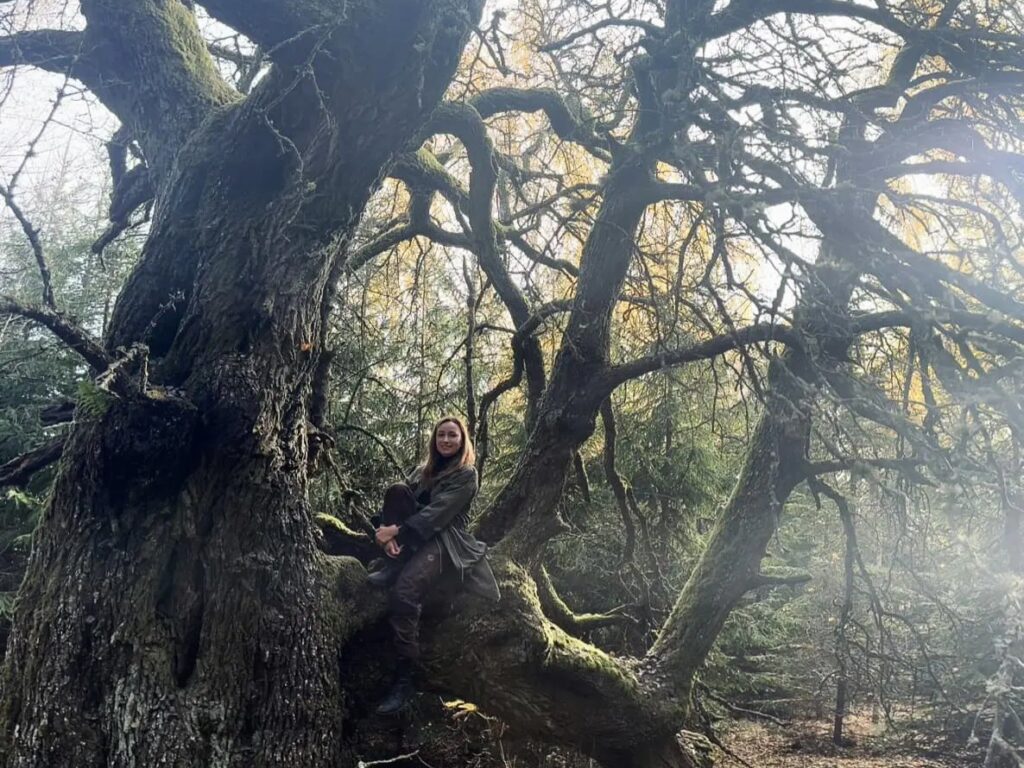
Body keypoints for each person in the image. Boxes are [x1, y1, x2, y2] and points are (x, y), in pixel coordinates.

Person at [369, 415, 500, 715]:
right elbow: (397, 505)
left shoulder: (467, 475)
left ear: (462, 440)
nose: (446, 440)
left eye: (452, 435)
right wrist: (385, 535)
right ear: (434, 439)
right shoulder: (422, 470)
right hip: (410, 540)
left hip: (445, 541)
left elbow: (438, 514)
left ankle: (405, 679)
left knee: (405, 592)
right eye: (441, 435)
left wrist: (396, 532)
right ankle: (393, 562)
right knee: (397, 490)